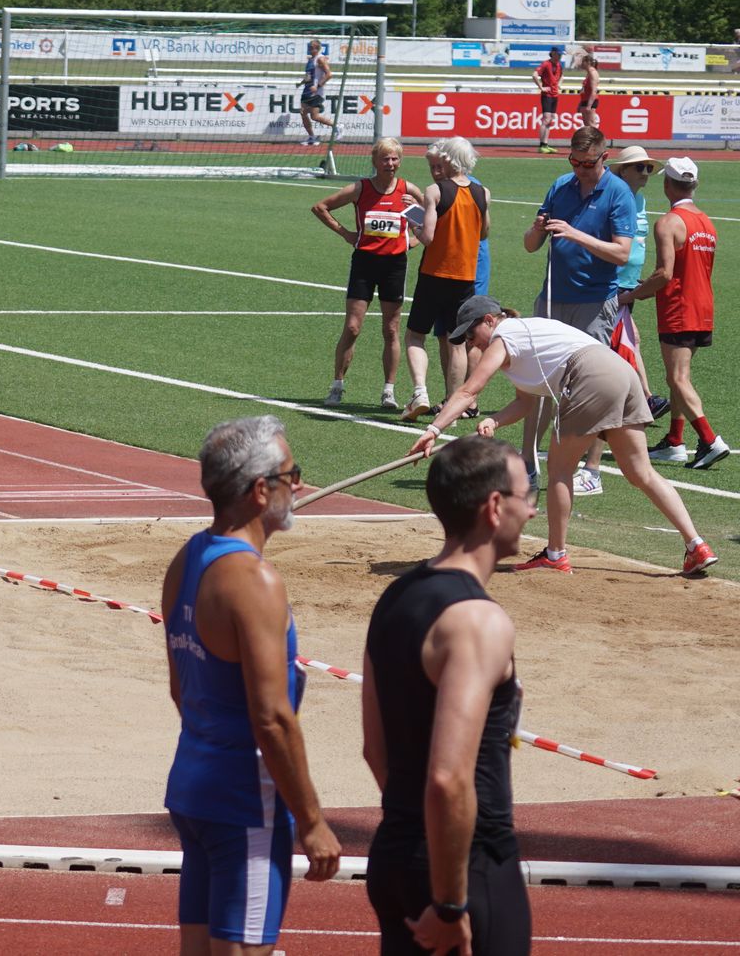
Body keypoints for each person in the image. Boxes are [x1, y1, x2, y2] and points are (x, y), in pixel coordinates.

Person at [161, 416, 340, 955]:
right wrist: (312, 821)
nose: (300, 487)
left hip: (193, 789)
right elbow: (273, 718)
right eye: (293, 475)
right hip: (245, 805)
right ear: (261, 490)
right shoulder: (255, 582)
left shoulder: (186, 560)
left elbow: (181, 689)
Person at [362, 434, 533, 956]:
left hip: (395, 853)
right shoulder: (478, 621)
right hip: (468, 868)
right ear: (495, 507)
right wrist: (451, 903)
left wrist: (414, 830)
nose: (531, 510)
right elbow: (448, 776)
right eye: (526, 495)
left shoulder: (395, 597)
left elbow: (375, 750)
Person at [407, 295, 717, 576]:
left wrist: (434, 430)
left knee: (559, 470)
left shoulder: (504, 336)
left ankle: (555, 554)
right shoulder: (524, 337)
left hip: (588, 375)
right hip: (621, 373)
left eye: (472, 335)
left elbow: (468, 391)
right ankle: (696, 545)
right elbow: (525, 402)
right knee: (640, 472)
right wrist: (495, 421)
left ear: (489, 320)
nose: (472, 344)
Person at [522, 124, 635, 481]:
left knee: (590, 387)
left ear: (605, 157)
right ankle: (527, 462)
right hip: (552, 298)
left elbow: (622, 253)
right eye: (575, 162)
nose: (581, 169)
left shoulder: (618, 193)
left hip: (593, 302)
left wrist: (575, 234)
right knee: (538, 383)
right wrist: (537, 229)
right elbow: (530, 246)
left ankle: (592, 467)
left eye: (588, 163)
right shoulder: (560, 186)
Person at [570, 146, 669, 494]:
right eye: (639, 168)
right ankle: (641, 403)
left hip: (624, 293)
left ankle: (592, 468)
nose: (645, 173)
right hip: (609, 293)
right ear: (622, 171)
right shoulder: (615, 198)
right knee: (606, 374)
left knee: (609, 374)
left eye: (647, 168)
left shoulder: (637, 200)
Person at [630, 156, 727, 469]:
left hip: (679, 308)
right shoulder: (706, 222)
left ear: (667, 185)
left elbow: (665, 274)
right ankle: (674, 440)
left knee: (677, 378)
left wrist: (631, 295)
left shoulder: (668, 222)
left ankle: (709, 440)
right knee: (680, 377)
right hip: (702, 307)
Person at [312, 137, 421, 409]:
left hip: (394, 265)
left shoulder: (408, 190)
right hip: (364, 263)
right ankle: (337, 385)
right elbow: (320, 207)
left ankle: (388, 391)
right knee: (352, 326)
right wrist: (346, 234)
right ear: (374, 161)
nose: (390, 164)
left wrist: (414, 239)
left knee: (391, 329)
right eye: (385, 159)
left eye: (394, 159)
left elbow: (433, 218)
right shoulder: (361, 189)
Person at [402, 138, 490, 422]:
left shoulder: (435, 190)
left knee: (415, 335)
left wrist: (414, 224)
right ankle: (454, 404)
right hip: (465, 276)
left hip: (435, 272)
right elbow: (484, 232)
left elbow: (427, 237)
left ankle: (420, 391)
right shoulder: (482, 192)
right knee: (457, 342)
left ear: (449, 159)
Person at [297, 39, 331, 146]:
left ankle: (337, 126)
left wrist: (318, 86)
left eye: (312, 47)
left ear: (317, 48)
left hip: (315, 93)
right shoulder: (310, 60)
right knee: (303, 113)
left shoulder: (320, 59)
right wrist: (300, 83)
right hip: (307, 91)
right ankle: (312, 137)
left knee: (314, 117)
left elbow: (329, 74)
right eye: (310, 47)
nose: (310, 49)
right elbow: (308, 77)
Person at [532, 46, 565, 153]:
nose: (560, 56)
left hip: (555, 95)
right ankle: (541, 145)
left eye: (561, 55)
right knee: (546, 119)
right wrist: (541, 87)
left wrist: (559, 85)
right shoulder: (546, 64)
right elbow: (535, 75)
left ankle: (545, 144)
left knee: (550, 120)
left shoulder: (559, 65)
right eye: (558, 54)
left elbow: (562, 76)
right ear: (553, 53)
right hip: (547, 95)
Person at [574, 47, 602, 130]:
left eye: (583, 62)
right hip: (585, 100)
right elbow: (585, 90)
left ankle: (597, 138)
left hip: (590, 101)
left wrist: (589, 105)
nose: (581, 64)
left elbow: (594, 91)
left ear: (587, 62)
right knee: (587, 125)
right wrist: (580, 104)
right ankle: (590, 138)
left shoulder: (593, 73)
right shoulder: (588, 73)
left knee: (591, 124)